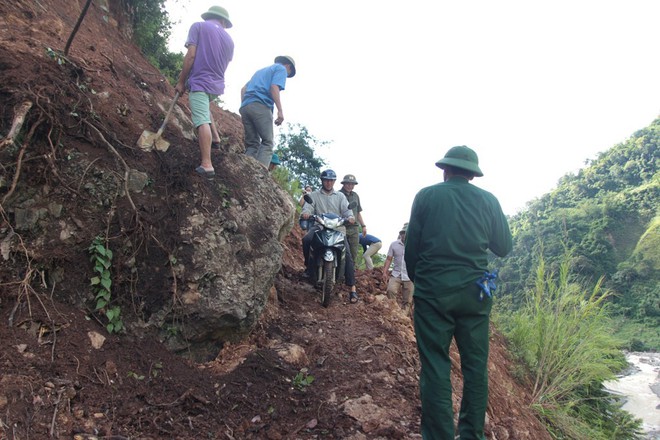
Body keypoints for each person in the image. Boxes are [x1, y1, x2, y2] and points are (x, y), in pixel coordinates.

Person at [404, 145, 513, 440]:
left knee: (436, 363)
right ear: (473, 175)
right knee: (475, 366)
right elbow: (504, 246)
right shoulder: (489, 201)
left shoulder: (426, 196)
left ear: (445, 170)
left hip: (433, 292)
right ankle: (470, 435)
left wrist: (423, 283)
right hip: (475, 294)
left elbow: (411, 251)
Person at [175, 6, 234, 178]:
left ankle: (207, 164)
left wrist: (181, 81)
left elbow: (191, 55)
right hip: (216, 84)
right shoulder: (230, 41)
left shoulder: (199, 26)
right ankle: (215, 138)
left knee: (201, 120)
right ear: (223, 21)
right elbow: (225, 64)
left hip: (200, 81)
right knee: (204, 108)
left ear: (210, 16)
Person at [301, 169, 359, 303]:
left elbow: (347, 210)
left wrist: (350, 217)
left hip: (337, 228)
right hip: (319, 226)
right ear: (322, 180)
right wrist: (306, 213)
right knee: (306, 239)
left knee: (348, 254)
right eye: (326, 180)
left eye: (331, 180)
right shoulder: (314, 195)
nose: (329, 182)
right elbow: (308, 207)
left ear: (334, 182)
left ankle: (352, 288)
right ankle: (308, 268)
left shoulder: (340, 196)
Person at [240, 56, 296, 168]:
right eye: (288, 74)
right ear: (288, 66)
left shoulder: (260, 72)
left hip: (246, 106)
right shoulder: (281, 69)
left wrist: (246, 104)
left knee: (252, 145)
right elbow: (274, 87)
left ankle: (244, 171)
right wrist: (280, 111)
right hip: (261, 106)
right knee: (267, 143)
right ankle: (260, 176)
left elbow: (243, 89)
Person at [382, 226, 413, 312]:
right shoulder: (394, 244)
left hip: (409, 275)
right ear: (401, 234)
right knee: (390, 290)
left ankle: (403, 317)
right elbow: (389, 259)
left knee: (408, 300)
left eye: (407, 233)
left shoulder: (415, 245)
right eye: (403, 233)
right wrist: (385, 272)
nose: (405, 235)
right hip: (396, 273)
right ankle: (394, 311)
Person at [338, 174, 366, 264]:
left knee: (353, 252)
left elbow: (358, 212)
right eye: (348, 184)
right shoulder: (338, 195)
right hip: (341, 226)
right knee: (341, 251)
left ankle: (351, 274)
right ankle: (339, 274)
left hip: (354, 228)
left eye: (352, 184)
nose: (350, 186)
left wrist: (364, 226)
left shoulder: (355, 196)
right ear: (344, 184)